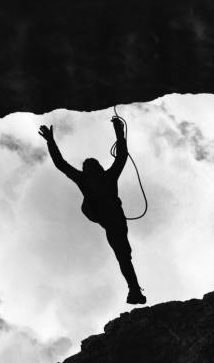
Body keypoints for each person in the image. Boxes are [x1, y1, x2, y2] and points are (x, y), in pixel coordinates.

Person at [38, 119, 146, 305]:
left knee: (123, 256)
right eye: (87, 165)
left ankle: (134, 289)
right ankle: (134, 289)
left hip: (113, 220)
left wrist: (119, 132)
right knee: (123, 256)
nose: (89, 166)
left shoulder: (98, 177)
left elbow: (121, 156)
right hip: (110, 220)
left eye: (91, 164)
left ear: (97, 167)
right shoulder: (89, 179)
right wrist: (50, 142)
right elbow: (61, 164)